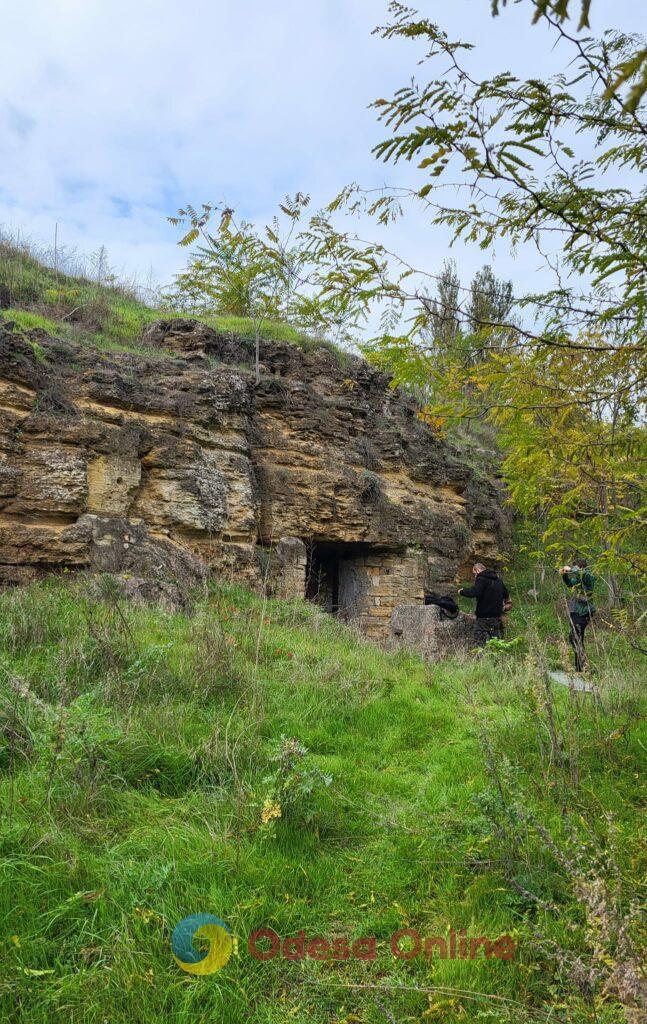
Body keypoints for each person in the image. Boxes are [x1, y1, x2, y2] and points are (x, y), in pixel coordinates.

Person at [459, 563, 510, 647]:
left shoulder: (481, 579)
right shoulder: (498, 580)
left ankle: (480, 659)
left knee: (480, 643)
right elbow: (506, 595)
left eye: (474, 574)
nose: (475, 576)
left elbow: (475, 592)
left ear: (477, 570)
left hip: (484, 616)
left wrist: (462, 591)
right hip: (497, 617)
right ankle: (497, 659)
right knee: (496, 643)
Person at [561, 559, 596, 672]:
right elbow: (570, 584)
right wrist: (565, 574)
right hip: (575, 611)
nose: (575, 571)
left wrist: (572, 569)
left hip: (584, 612)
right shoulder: (579, 578)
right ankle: (581, 666)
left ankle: (581, 668)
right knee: (574, 638)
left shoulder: (589, 576)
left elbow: (583, 574)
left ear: (582, 568)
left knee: (576, 638)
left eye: (577, 568)